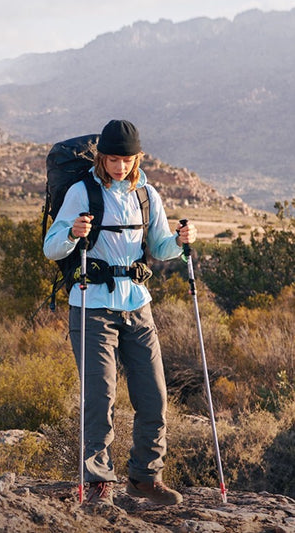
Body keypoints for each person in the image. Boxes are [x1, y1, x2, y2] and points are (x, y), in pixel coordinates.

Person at [43, 120, 197, 506]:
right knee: (100, 397)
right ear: (101, 158)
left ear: (137, 158)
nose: (120, 166)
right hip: (92, 305)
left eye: (126, 160)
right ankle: (98, 482)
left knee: (154, 397)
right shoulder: (82, 192)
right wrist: (72, 234)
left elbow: (159, 248)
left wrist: (180, 242)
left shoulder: (147, 193)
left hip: (137, 306)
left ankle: (145, 477)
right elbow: (51, 248)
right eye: (113, 159)